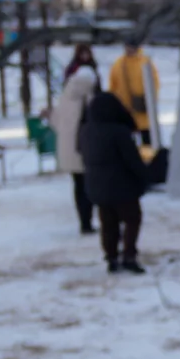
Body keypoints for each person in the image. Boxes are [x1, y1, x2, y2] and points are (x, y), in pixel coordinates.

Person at [78, 89, 149, 274]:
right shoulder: (119, 131)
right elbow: (132, 160)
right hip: (123, 186)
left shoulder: (85, 130)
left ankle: (111, 257)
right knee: (132, 219)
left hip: (97, 186)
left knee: (108, 224)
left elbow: (80, 152)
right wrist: (145, 176)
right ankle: (129, 255)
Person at [47, 65, 99, 234]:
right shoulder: (91, 97)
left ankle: (84, 222)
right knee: (90, 185)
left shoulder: (66, 95)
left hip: (69, 150)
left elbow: (55, 120)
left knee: (78, 185)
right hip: (87, 148)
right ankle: (89, 221)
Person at [106, 36, 160, 152]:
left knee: (148, 144)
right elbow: (112, 86)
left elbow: (154, 83)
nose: (129, 49)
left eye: (131, 47)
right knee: (128, 147)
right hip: (125, 111)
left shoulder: (145, 62)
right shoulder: (118, 64)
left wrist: (150, 101)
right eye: (127, 47)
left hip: (143, 111)